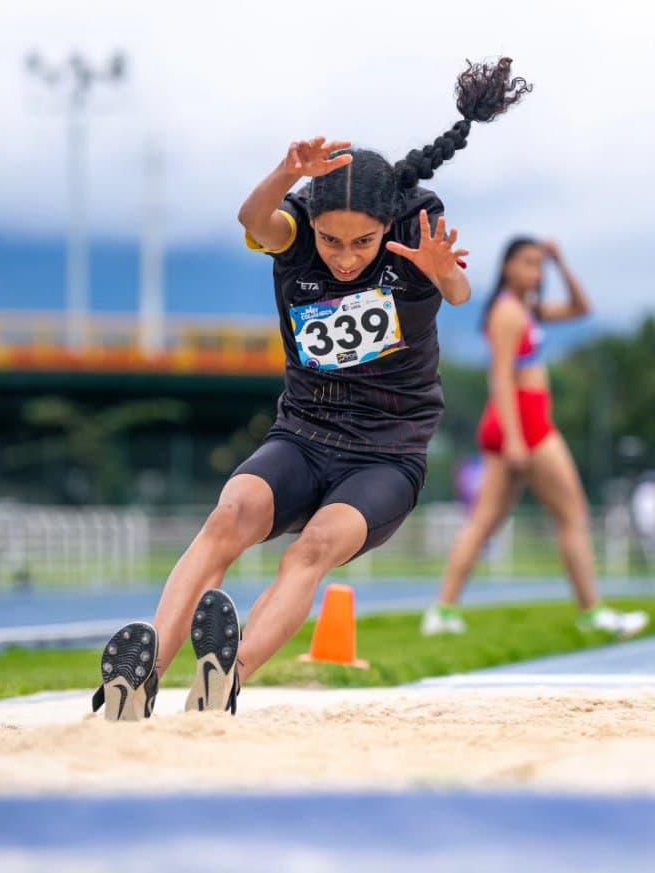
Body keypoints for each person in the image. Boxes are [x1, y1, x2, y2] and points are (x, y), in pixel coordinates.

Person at [92, 58, 532, 721]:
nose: (346, 256)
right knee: (228, 516)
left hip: (386, 453)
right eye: (333, 240)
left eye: (362, 242)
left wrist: (443, 276)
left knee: (314, 547)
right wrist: (287, 173)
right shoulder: (294, 231)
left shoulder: (416, 234)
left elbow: (463, 292)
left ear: (386, 227)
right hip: (303, 433)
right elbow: (254, 216)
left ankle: (224, 677)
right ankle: (144, 673)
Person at [422, 238, 648, 638]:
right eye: (528, 263)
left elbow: (582, 309)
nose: (536, 272)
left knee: (484, 524)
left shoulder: (527, 309)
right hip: (524, 426)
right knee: (573, 516)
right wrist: (513, 438)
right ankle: (592, 612)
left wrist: (561, 264)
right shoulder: (507, 313)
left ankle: (442, 611)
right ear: (507, 266)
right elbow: (501, 376)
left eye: (540, 265)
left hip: (524, 424)